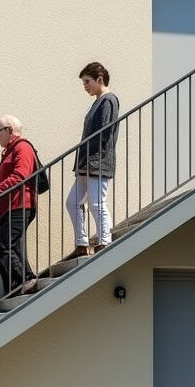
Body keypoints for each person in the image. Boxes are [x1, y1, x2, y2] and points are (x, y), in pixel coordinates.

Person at [0, 114, 39, 295]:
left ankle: (26, 280)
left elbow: (19, 177)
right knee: (11, 246)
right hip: (11, 207)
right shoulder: (11, 151)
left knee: (2, 246)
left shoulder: (22, 147)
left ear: (9, 130)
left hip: (19, 205)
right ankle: (14, 287)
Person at [65, 62, 120, 260]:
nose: (85, 86)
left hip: (98, 162)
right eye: (83, 83)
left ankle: (105, 241)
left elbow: (103, 132)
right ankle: (82, 243)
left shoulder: (108, 100)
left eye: (87, 81)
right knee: (72, 202)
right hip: (86, 163)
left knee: (97, 202)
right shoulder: (97, 101)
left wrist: (88, 156)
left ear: (99, 79)